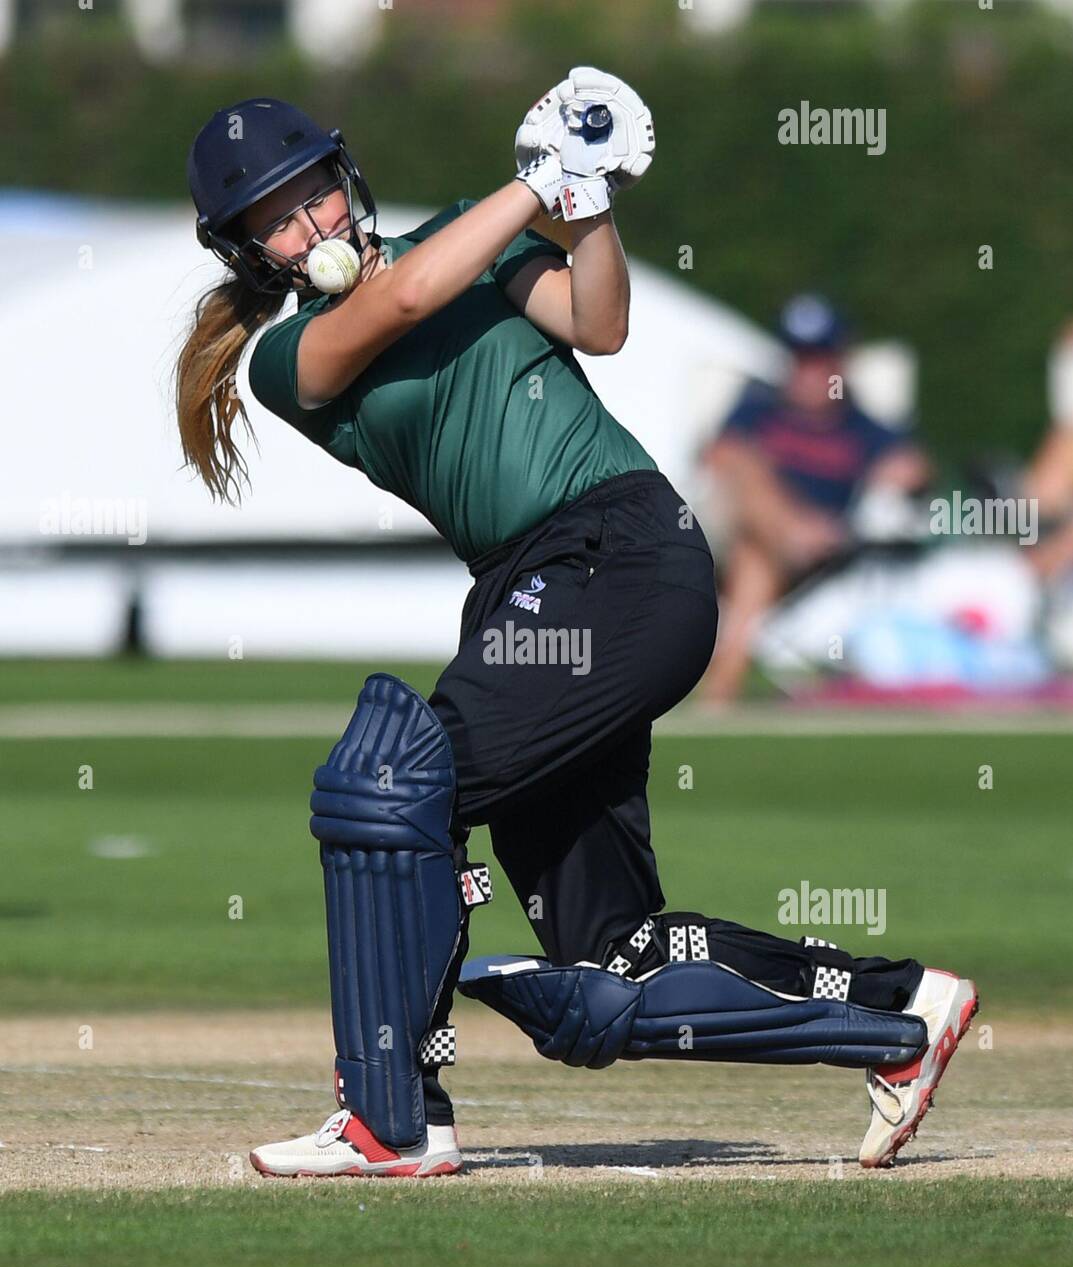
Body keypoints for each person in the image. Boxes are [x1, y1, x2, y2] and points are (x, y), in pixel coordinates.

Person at [175, 84, 976, 1179]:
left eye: (314, 190)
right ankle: (901, 1012)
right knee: (613, 965)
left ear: (344, 175)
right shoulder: (288, 358)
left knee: (391, 787)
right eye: (278, 217)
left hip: (620, 557)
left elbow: (599, 322)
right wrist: (533, 186)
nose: (311, 224)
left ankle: (391, 1114)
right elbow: (405, 300)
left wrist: (587, 203)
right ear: (251, 251)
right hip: (537, 590)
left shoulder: (464, 234)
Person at [700, 294, 931, 703]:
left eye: (819, 358)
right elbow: (718, 458)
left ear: (841, 360)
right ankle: (788, 532)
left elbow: (913, 468)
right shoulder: (757, 406)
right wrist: (793, 521)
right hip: (737, 534)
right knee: (745, 470)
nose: (808, 371)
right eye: (799, 358)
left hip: (821, 555)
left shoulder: (862, 426)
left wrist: (901, 475)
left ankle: (723, 685)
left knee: (757, 556)